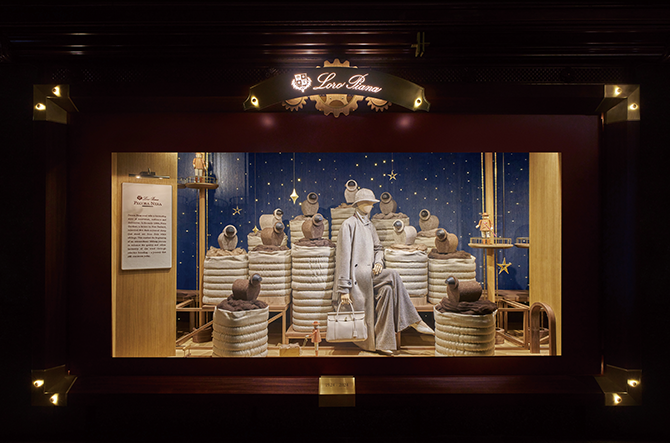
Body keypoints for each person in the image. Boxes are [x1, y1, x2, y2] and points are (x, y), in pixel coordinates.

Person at [333, 188, 433, 355]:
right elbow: (342, 257)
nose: (370, 206)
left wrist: (379, 262)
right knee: (393, 274)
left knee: (387, 290)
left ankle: (383, 343)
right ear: (358, 204)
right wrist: (344, 288)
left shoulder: (369, 225)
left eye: (372, 203)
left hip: (369, 274)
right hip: (357, 276)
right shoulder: (348, 225)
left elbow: (378, 248)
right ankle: (414, 320)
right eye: (367, 203)